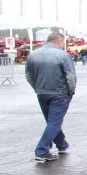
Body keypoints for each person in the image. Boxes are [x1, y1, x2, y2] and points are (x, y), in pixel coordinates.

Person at [24, 33, 76, 162]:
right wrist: (71, 91)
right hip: (60, 93)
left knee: (51, 121)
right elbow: (70, 76)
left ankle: (61, 144)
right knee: (54, 122)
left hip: (42, 93)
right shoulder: (63, 55)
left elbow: (28, 75)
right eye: (63, 42)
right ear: (59, 41)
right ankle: (41, 151)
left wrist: (37, 88)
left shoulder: (33, 54)